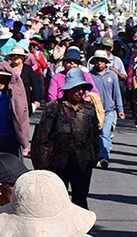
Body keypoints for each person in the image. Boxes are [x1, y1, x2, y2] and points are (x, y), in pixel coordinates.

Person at [31, 69, 99, 208]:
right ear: (67, 89)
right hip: (57, 163)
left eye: (82, 88)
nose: (80, 92)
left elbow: (94, 136)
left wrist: (94, 157)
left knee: (80, 200)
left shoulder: (89, 109)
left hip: (83, 163)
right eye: (76, 88)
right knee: (57, 202)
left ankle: (80, 229)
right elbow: (43, 137)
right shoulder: (54, 108)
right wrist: (43, 164)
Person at [90, 49, 124, 169]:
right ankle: (94, 156)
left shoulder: (112, 76)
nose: (99, 64)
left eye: (102, 61)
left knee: (105, 133)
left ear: (106, 62)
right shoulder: (90, 76)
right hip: (93, 110)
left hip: (109, 110)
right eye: (97, 61)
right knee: (94, 134)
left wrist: (120, 109)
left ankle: (104, 157)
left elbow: (116, 93)